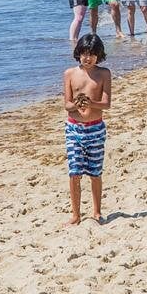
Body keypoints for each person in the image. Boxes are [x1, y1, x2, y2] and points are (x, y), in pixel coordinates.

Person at [62, 33, 112, 225]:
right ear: (78, 54)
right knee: (74, 171)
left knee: (95, 172)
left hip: (95, 129)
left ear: (99, 55)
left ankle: (97, 211)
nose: (87, 58)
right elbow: (67, 105)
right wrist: (77, 104)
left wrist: (91, 102)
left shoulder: (104, 73)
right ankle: (75, 215)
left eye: (92, 54)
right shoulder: (70, 74)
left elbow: (106, 104)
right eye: (84, 53)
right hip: (74, 129)